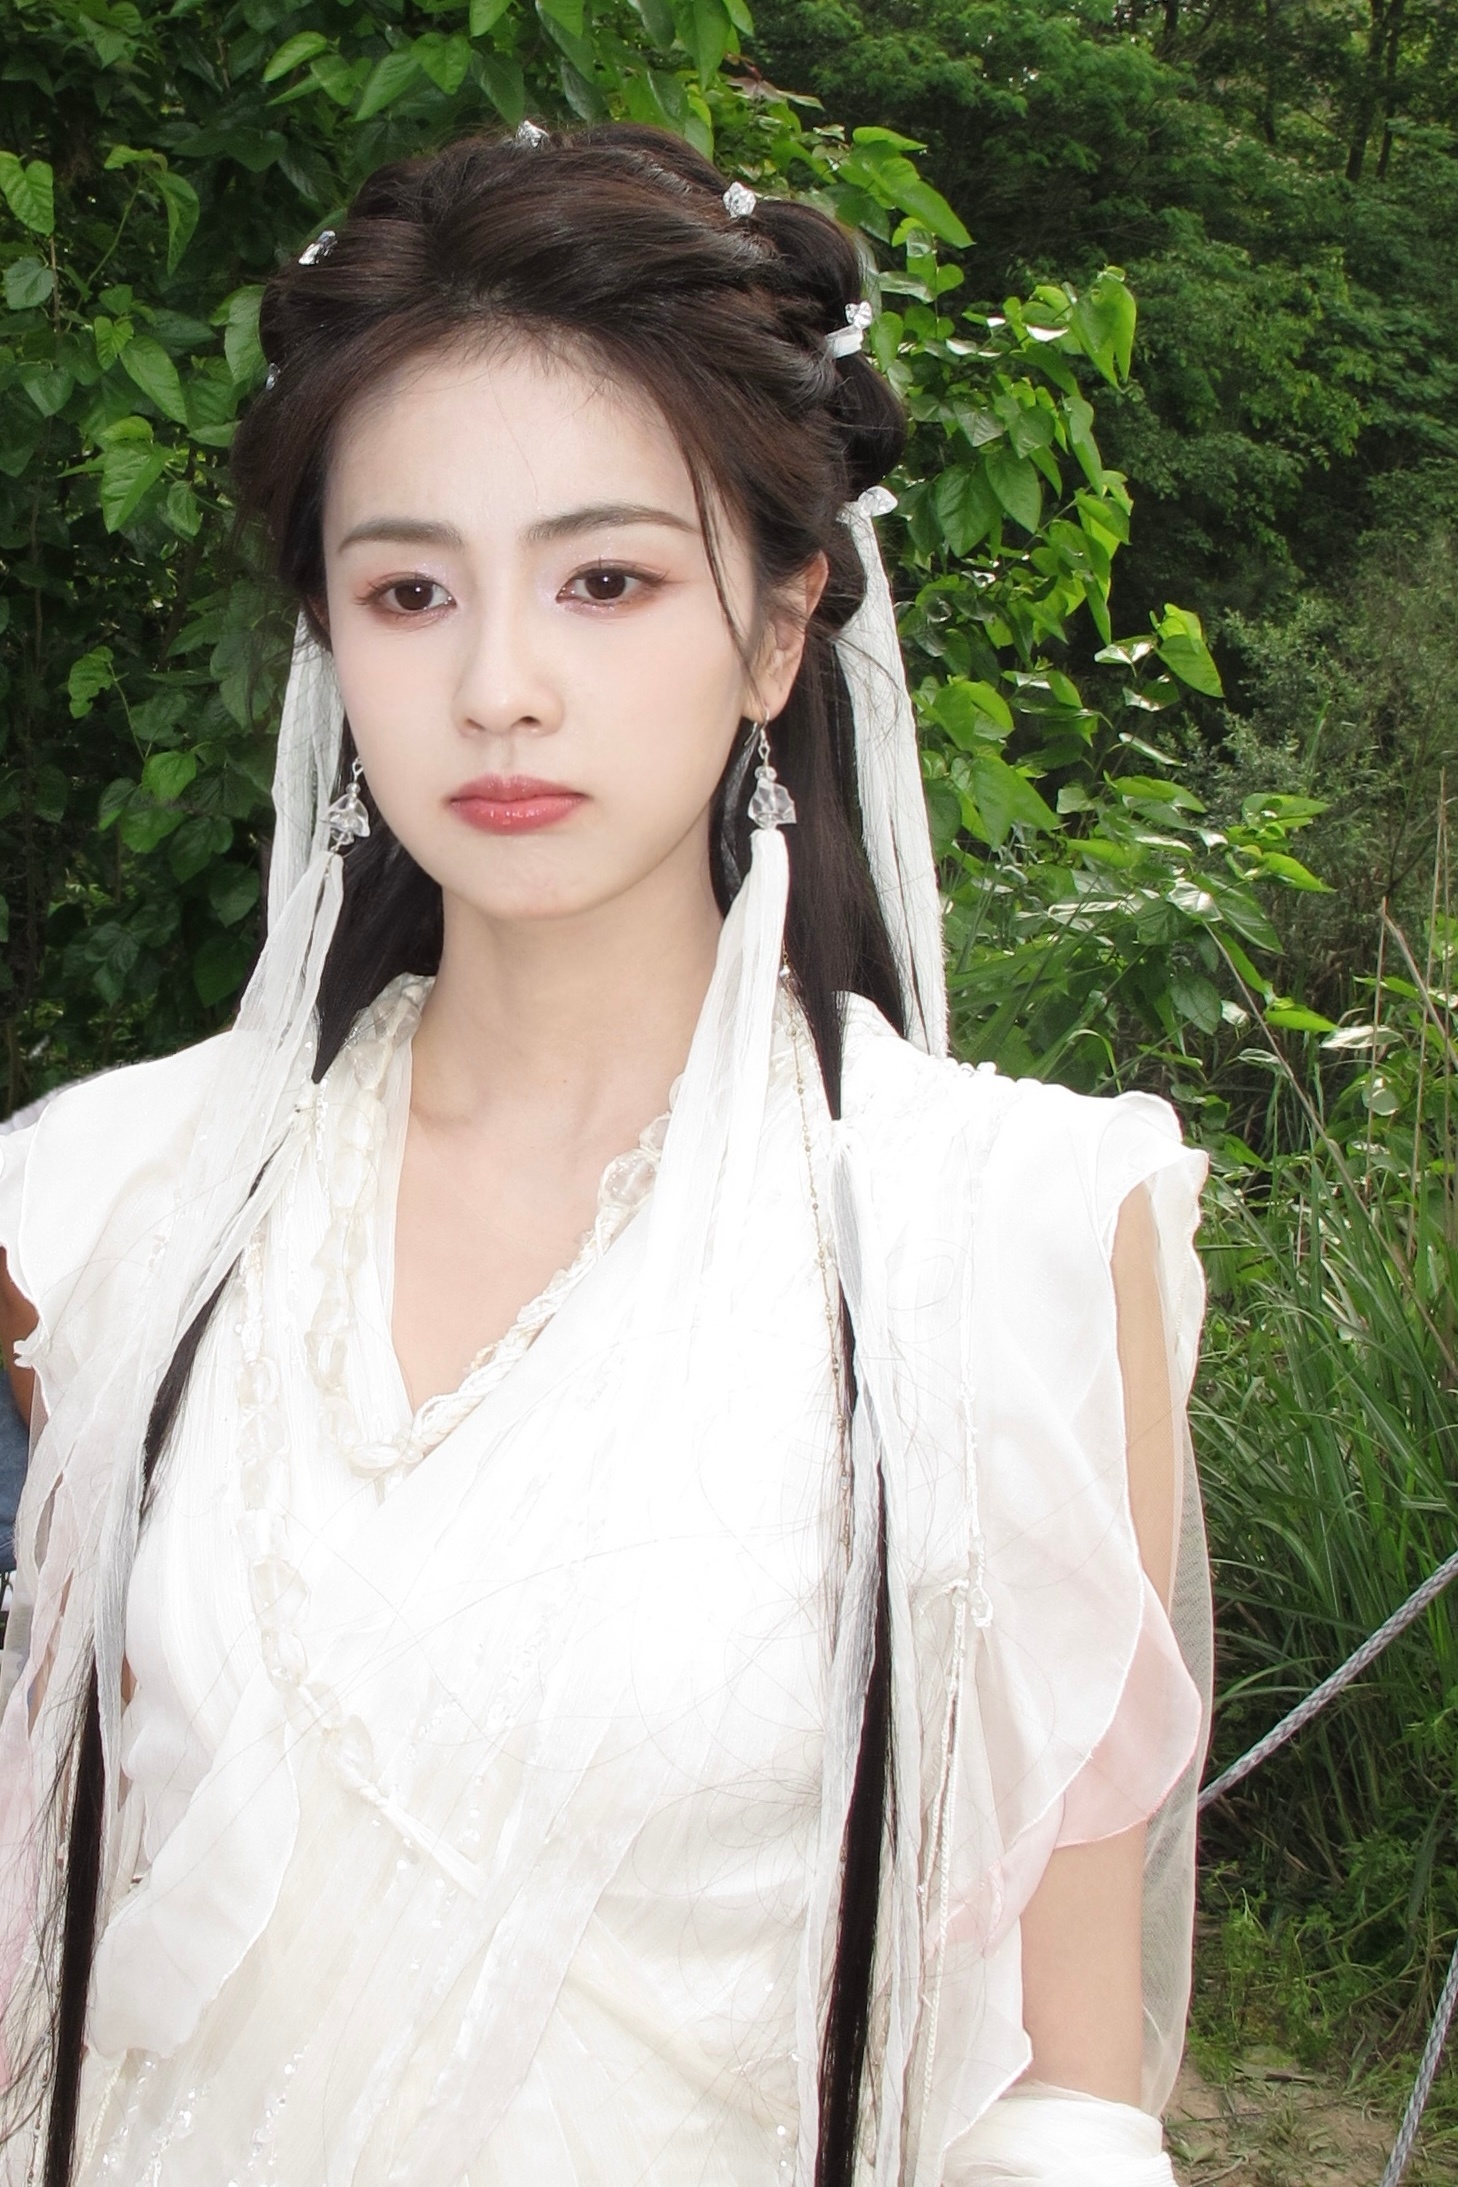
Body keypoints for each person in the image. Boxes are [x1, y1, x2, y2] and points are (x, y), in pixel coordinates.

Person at [0, 123, 1210, 2187]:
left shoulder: (1003, 1233)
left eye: (608, 580)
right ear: (331, 639)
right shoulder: (100, 1199)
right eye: (409, 591)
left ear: (778, 628)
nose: (499, 687)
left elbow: (1065, 2083)